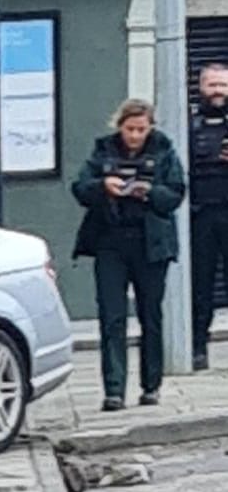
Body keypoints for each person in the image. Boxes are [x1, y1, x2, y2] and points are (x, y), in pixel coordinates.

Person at [73, 98, 187, 412]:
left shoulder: (164, 151)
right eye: (129, 129)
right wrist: (103, 186)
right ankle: (113, 390)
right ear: (119, 125)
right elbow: (80, 188)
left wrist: (148, 191)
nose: (134, 136)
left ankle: (151, 385)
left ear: (151, 127)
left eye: (141, 129)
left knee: (151, 314)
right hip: (111, 241)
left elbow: (175, 194)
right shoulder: (103, 151)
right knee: (112, 317)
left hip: (151, 244)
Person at [192, 63, 228, 369]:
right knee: (199, 285)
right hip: (200, 215)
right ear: (200, 87)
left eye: (223, 85)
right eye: (212, 85)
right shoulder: (188, 125)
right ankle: (197, 348)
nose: (218, 91)